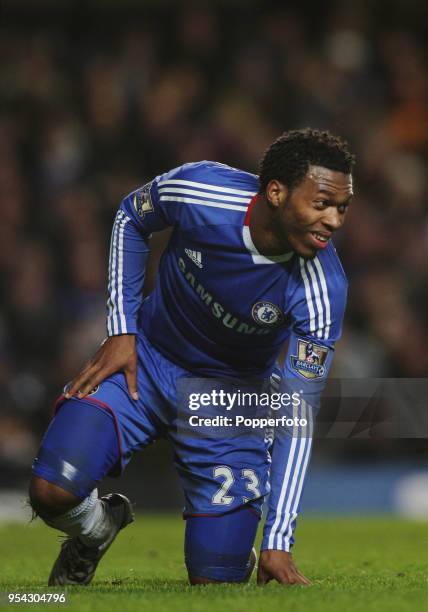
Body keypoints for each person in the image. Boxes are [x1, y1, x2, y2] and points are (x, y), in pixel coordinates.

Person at [29, 128, 354, 586]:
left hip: (233, 402)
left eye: (342, 207)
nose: (334, 221)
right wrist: (121, 330)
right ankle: (94, 528)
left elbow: (296, 412)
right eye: (321, 204)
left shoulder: (323, 289)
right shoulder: (202, 190)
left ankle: (234, 546)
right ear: (277, 193)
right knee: (51, 489)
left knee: (215, 578)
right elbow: (130, 218)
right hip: (146, 361)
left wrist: (279, 541)